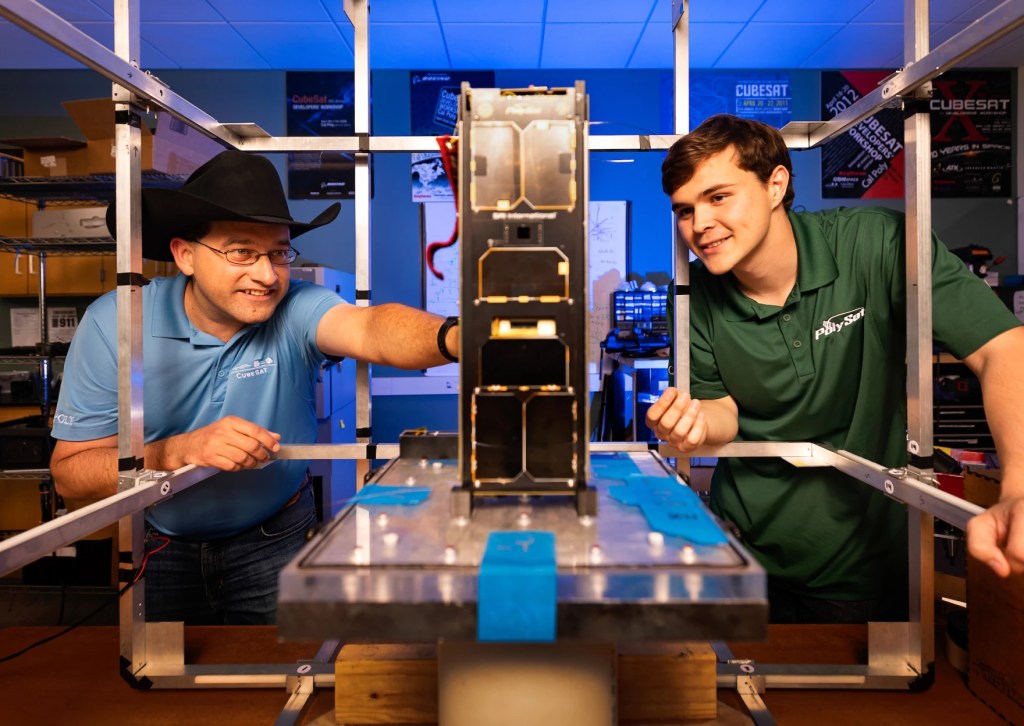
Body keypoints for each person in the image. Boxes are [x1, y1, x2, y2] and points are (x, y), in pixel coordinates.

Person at [49, 150, 460, 625]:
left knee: (285, 677)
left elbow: (370, 329)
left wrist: (458, 337)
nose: (266, 276)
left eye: (280, 253)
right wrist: (175, 451)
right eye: (241, 251)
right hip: (159, 547)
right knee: (162, 686)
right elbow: (71, 477)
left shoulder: (296, 308)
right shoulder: (117, 322)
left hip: (277, 538)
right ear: (185, 255)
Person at [647, 114, 1024, 623]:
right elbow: (722, 412)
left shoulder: (878, 243)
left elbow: (1001, 345)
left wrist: (1018, 488)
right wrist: (690, 423)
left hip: (865, 562)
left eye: (719, 197)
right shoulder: (692, 294)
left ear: (775, 184)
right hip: (742, 554)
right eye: (685, 210)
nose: (700, 224)